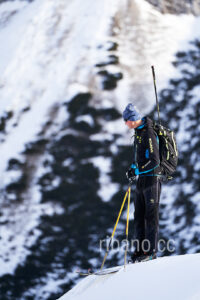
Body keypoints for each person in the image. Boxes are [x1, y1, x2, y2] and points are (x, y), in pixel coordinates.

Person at [122, 103, 162, 263]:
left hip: (152, 179)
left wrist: (138, 171)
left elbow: (154, 161)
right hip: (142, 180)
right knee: (138, 216)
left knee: (150, 216)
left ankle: (150, 252)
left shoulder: (149, 134)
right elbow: (139, 157)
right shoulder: (138, 133)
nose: (125, 123)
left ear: (132, 119)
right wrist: (133, 169)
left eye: (126, 120)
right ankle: (140, 251)